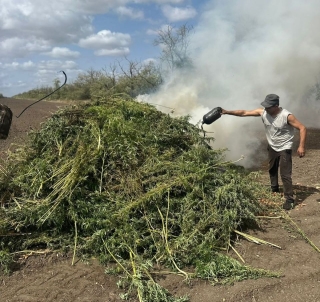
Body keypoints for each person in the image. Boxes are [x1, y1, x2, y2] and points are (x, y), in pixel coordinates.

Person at [221, 94, 307, 210]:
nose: (266, 108)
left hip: (285, 147)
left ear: (276, 106)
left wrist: (301, 146)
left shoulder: (287, 116)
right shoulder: (263, 112)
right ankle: (274, 189)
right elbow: (244, 113)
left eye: (269, 107)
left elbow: (302, 128)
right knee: (272, 169)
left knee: (285, 174)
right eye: (265, 106)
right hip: (272, 146)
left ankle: (289, 199)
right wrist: (226, 112)